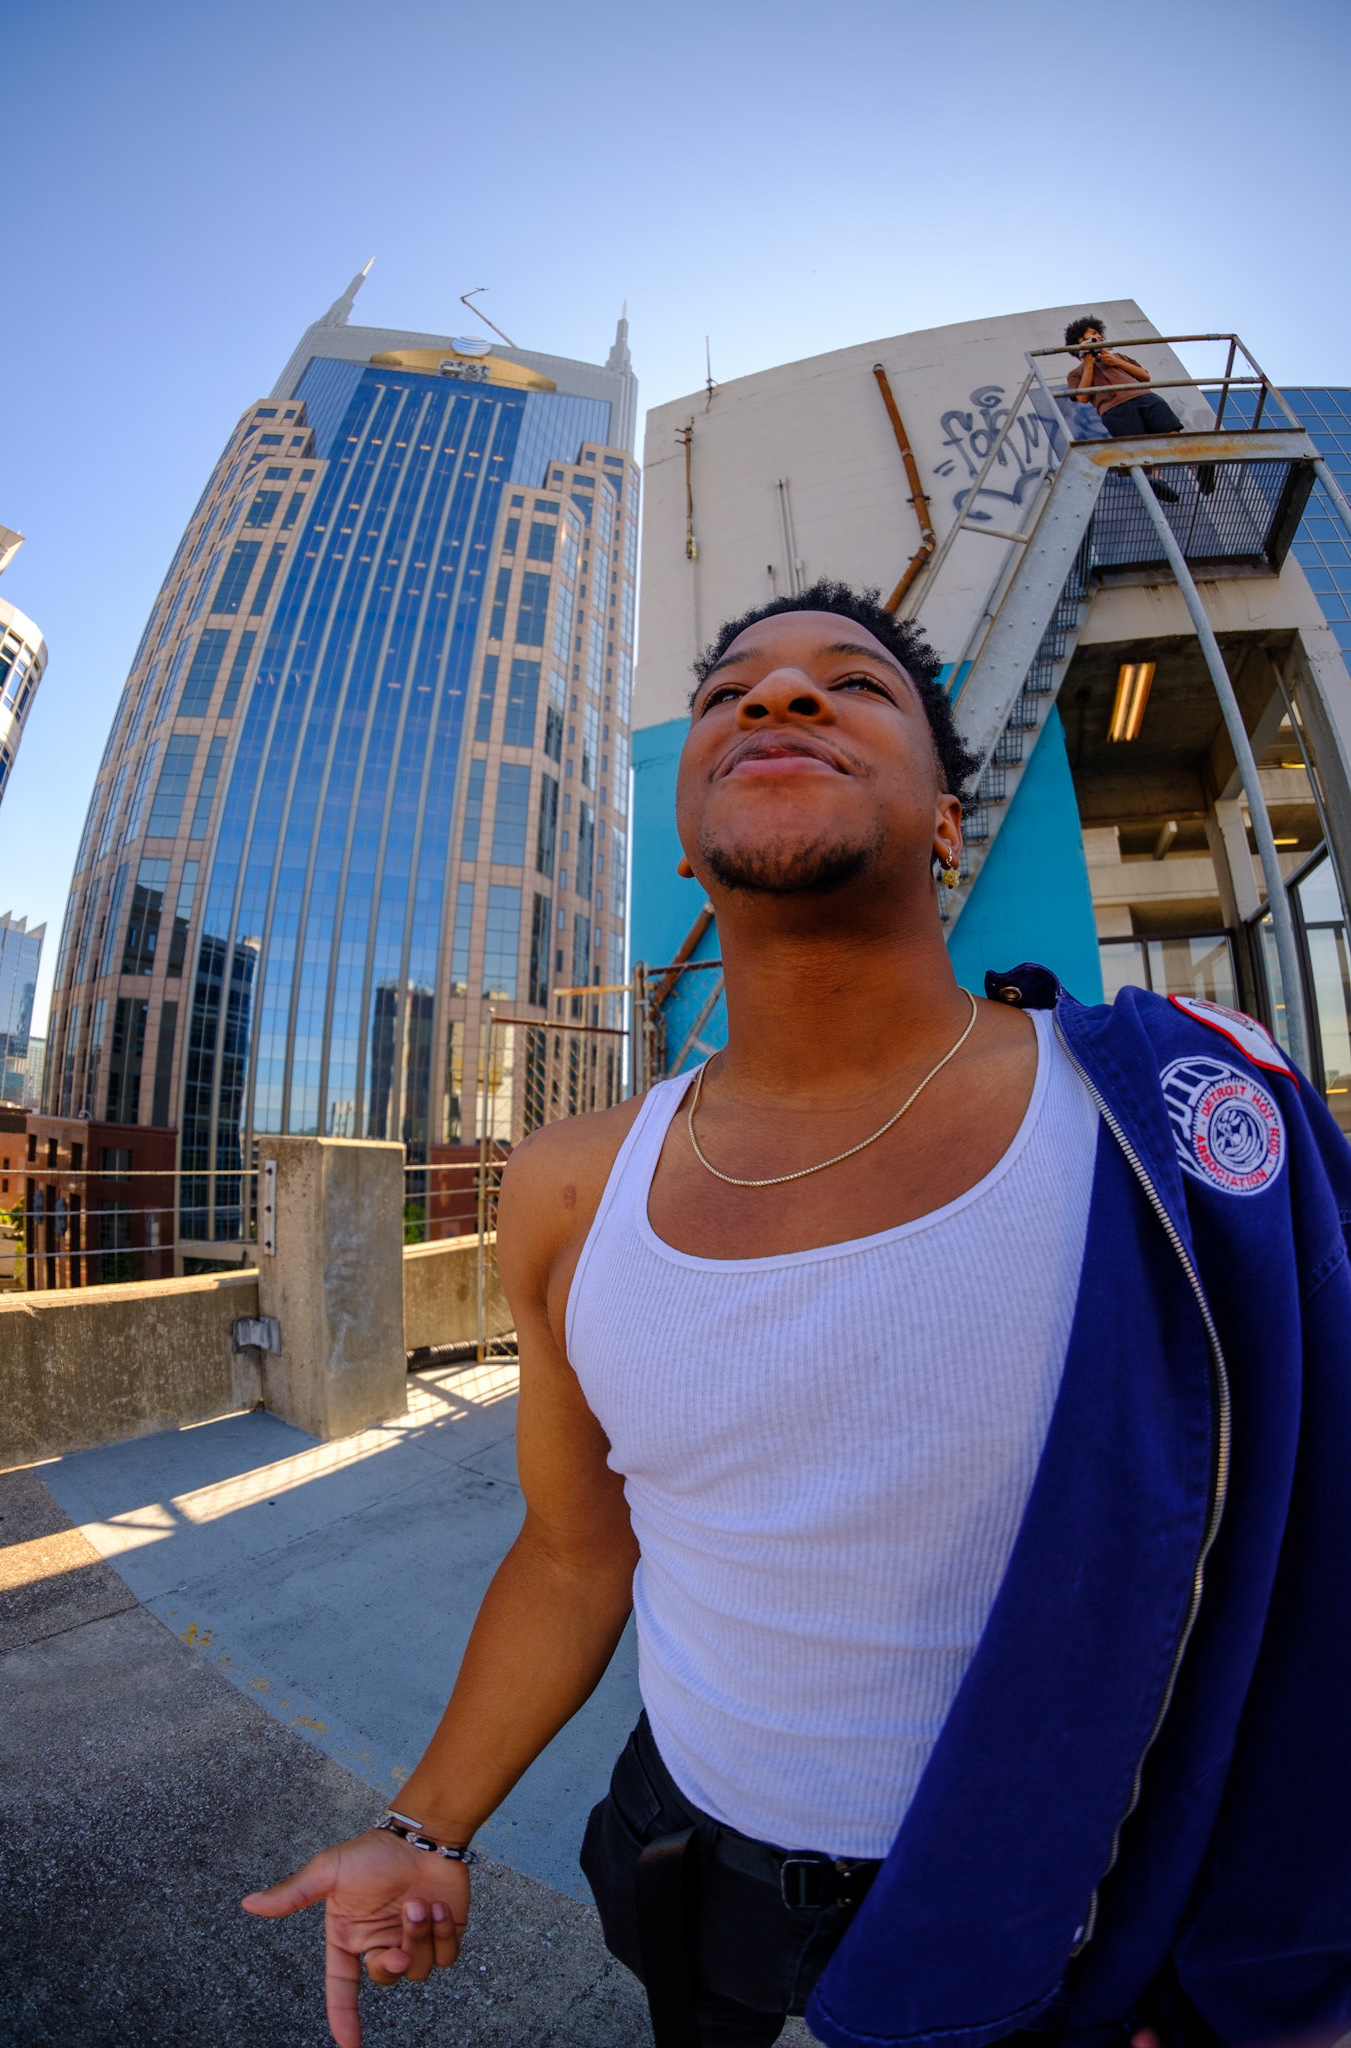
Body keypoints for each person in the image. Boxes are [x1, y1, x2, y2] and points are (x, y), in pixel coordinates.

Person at [244, 581, 1351, 2048]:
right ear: (686, 840)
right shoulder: (570, 1184)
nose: (777, 698)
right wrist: (424, 1826)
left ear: (948, 821)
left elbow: (1320, 1536)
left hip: (1084, 1906)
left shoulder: (1167, 1123)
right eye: (731, 694)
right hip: (699, 1883)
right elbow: (576, 1553)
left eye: (854, 683)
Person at [1064, 315, 1195, 499]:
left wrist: (1115, 361)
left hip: (1143, 397)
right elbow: (1083, 397)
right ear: (1080, 340)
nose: (1099, 336)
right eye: (1093, 334)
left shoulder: (1118, 357)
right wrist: (1089, 364)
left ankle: (1196, 465)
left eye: (1099, 334)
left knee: (1170, 429)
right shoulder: (1075, 374)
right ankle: (1157, 480)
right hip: (1114, 410)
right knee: (1137, 446)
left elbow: (1145, 376)